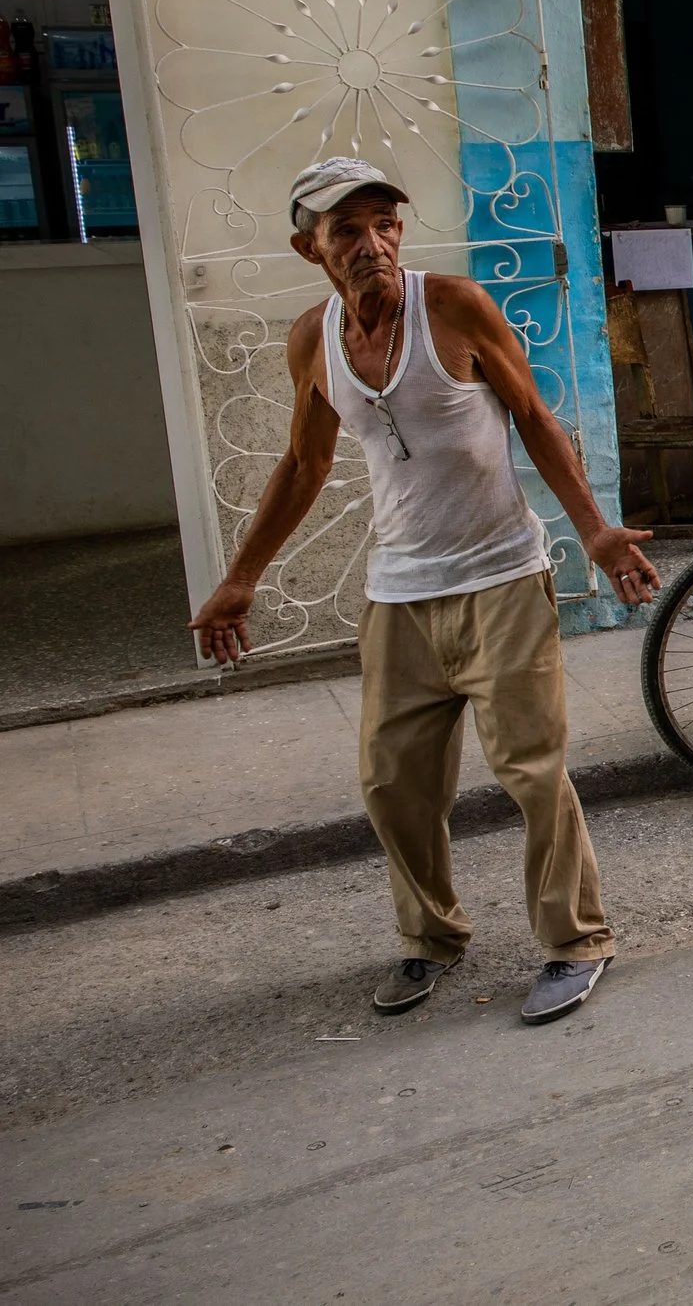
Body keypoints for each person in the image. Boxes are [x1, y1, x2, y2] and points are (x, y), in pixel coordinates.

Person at [189, 157, 663, 1025]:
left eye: (384, 224)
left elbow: (531, 414)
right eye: (347, 231)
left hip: (501, 578)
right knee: (391, 781)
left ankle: (574, 940)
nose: (372, 244)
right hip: (401, 590)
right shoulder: (314, 339)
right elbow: (304, 462)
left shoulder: (452, 306)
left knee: (530, 768)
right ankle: (432, 934)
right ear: (311, 248)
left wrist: (593, 528)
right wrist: (239, 580)